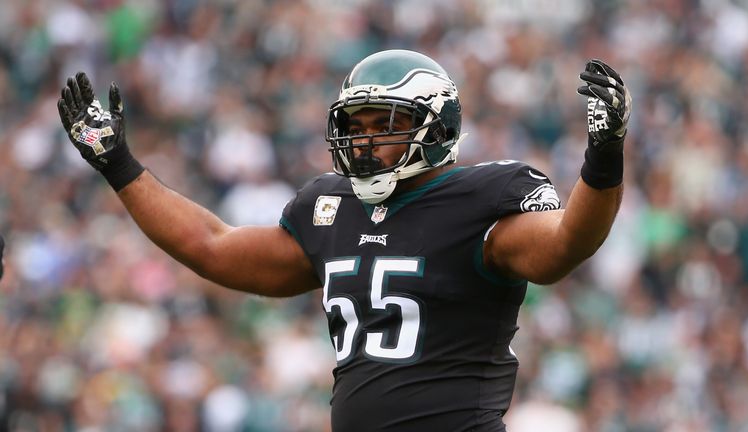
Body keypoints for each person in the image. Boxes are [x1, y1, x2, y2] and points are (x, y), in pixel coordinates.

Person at [57, 50, 631, 432]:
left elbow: (562, 248)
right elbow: (212, 246)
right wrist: (120, 166)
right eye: (353, 126)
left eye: (381, 123)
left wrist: (603, 161)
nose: (361, 141)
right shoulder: (330, 207)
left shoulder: (482, 198)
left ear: (438, 126)